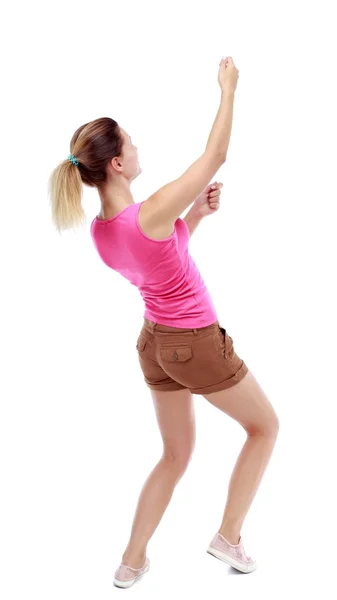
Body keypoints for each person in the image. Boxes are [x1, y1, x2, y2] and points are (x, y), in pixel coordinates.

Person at [48, 56, 279, 589]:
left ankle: (131, 563)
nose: (137, 147)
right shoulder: (147, 212)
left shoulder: (105, 230)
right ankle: (229, 535)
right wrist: (228, 87)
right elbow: (216, 154)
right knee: (264, 428)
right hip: (194, 343)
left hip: (155, 345)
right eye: (130, 143)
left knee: (174, 454)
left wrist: (193, 216)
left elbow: (158, 264)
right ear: (116, 165)